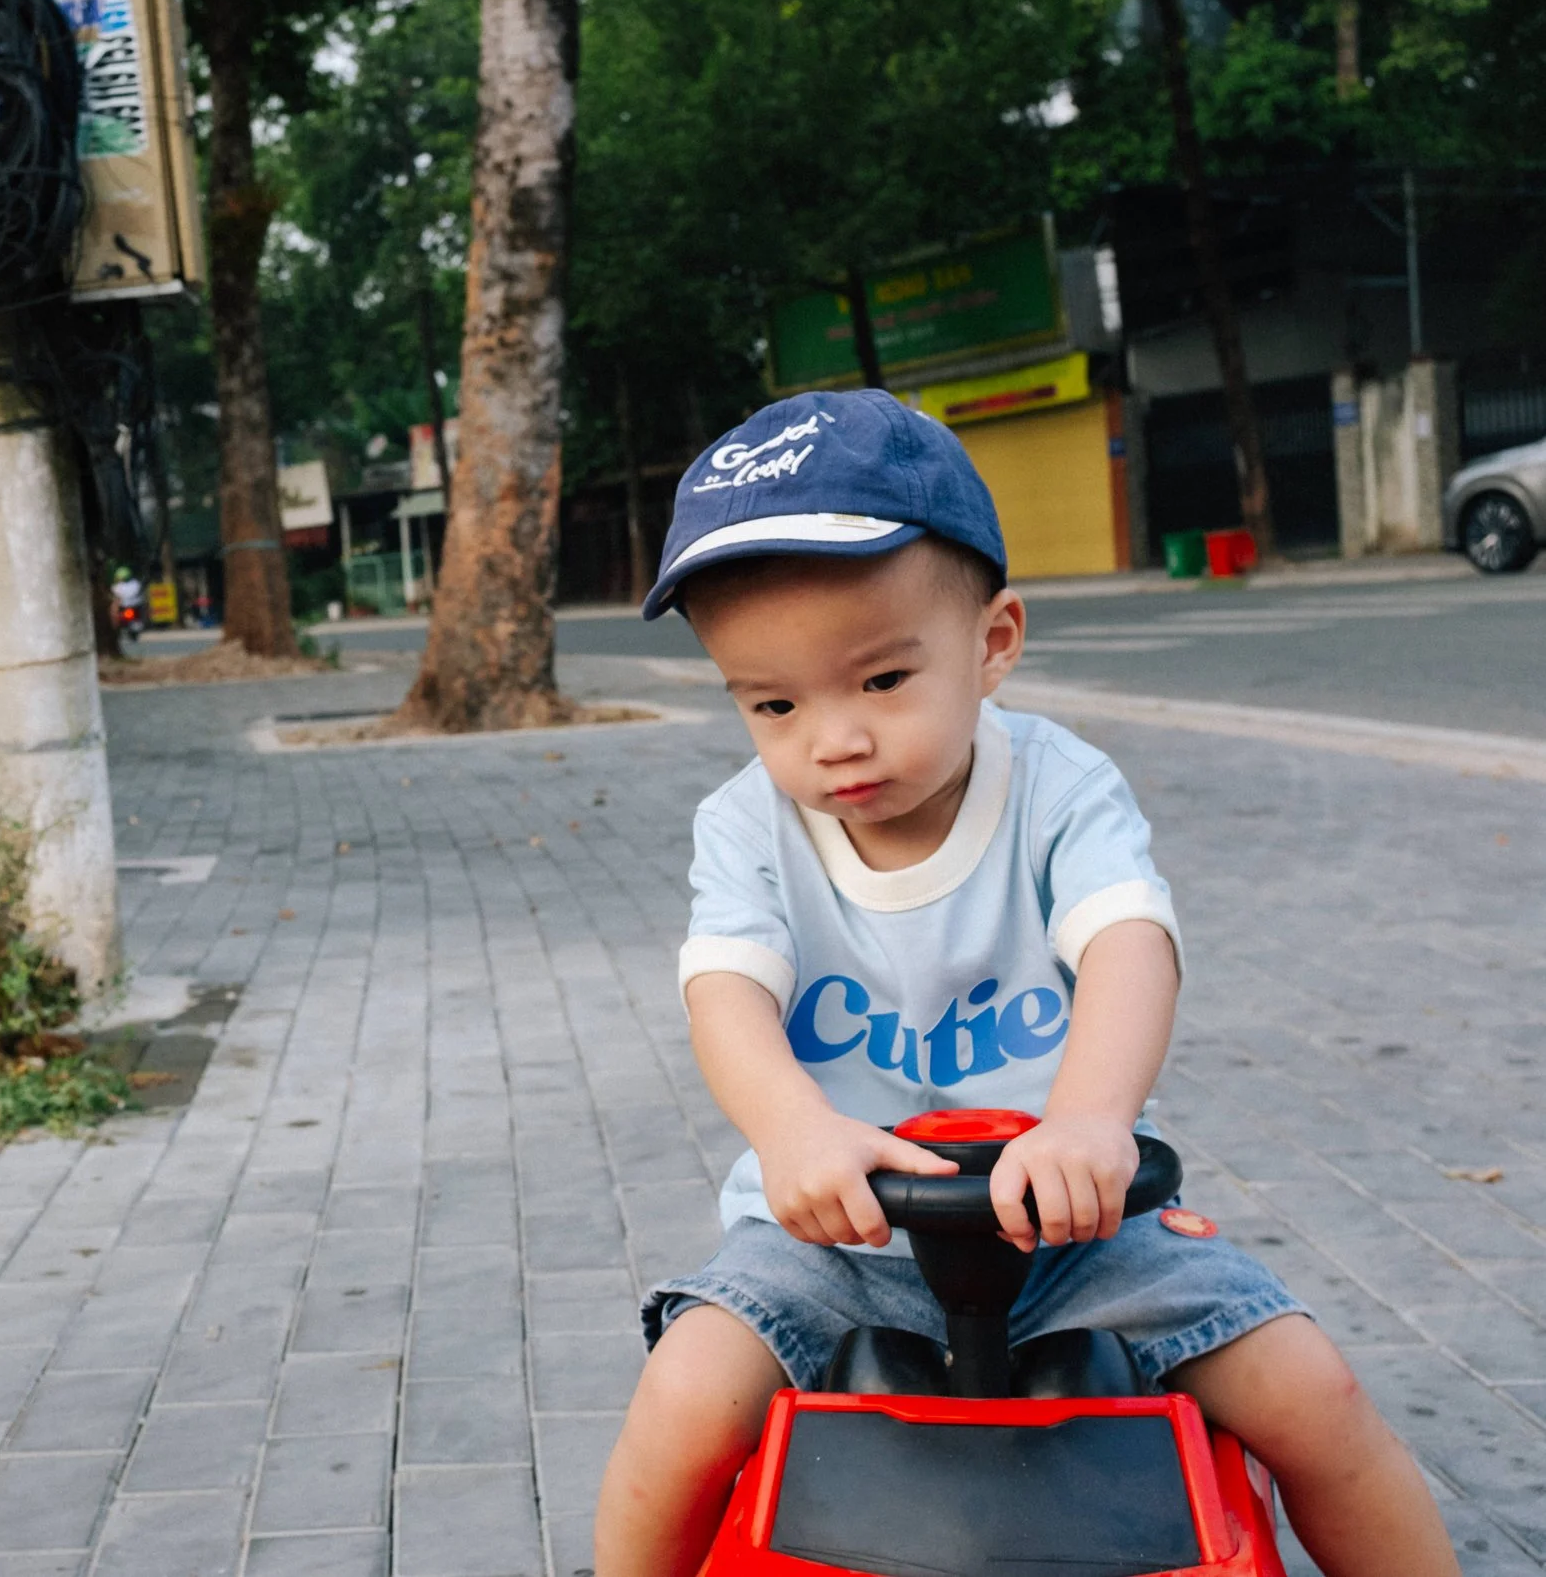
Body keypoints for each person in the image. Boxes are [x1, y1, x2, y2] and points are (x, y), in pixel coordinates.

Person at [591, 391, 1455, 1577]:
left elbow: (1125, 944)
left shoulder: (1058, 786)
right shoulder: (745, 826)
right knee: (682, 1398)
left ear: (992, 642)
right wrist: (793, 1130)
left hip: (1080, 1225)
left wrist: (1090, 1118)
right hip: (837, 1230)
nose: (830, 739)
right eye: (774, 704)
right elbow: (725, 992)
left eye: (881, 681)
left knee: (1313, 1390)